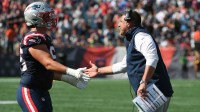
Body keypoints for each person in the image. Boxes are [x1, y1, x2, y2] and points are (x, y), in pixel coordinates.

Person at [85, 9, 174, 112]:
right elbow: (124, 65)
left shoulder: (141, 36)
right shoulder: (133, 37)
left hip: (153, 90)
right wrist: (98, 71)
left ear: (128, 22)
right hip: (154, 90)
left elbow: (152, 58)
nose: (118, 25)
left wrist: (144, 82)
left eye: (121, 22)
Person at [16, 2, 90, 112]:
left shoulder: (44, 37)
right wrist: (72, 72)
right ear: (35, 19)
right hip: (31, 90)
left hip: (42, 91)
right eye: (46, 16)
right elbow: (48, 63)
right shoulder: (33, 38)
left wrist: (69, 79)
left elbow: (46, 71)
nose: (50, 18)